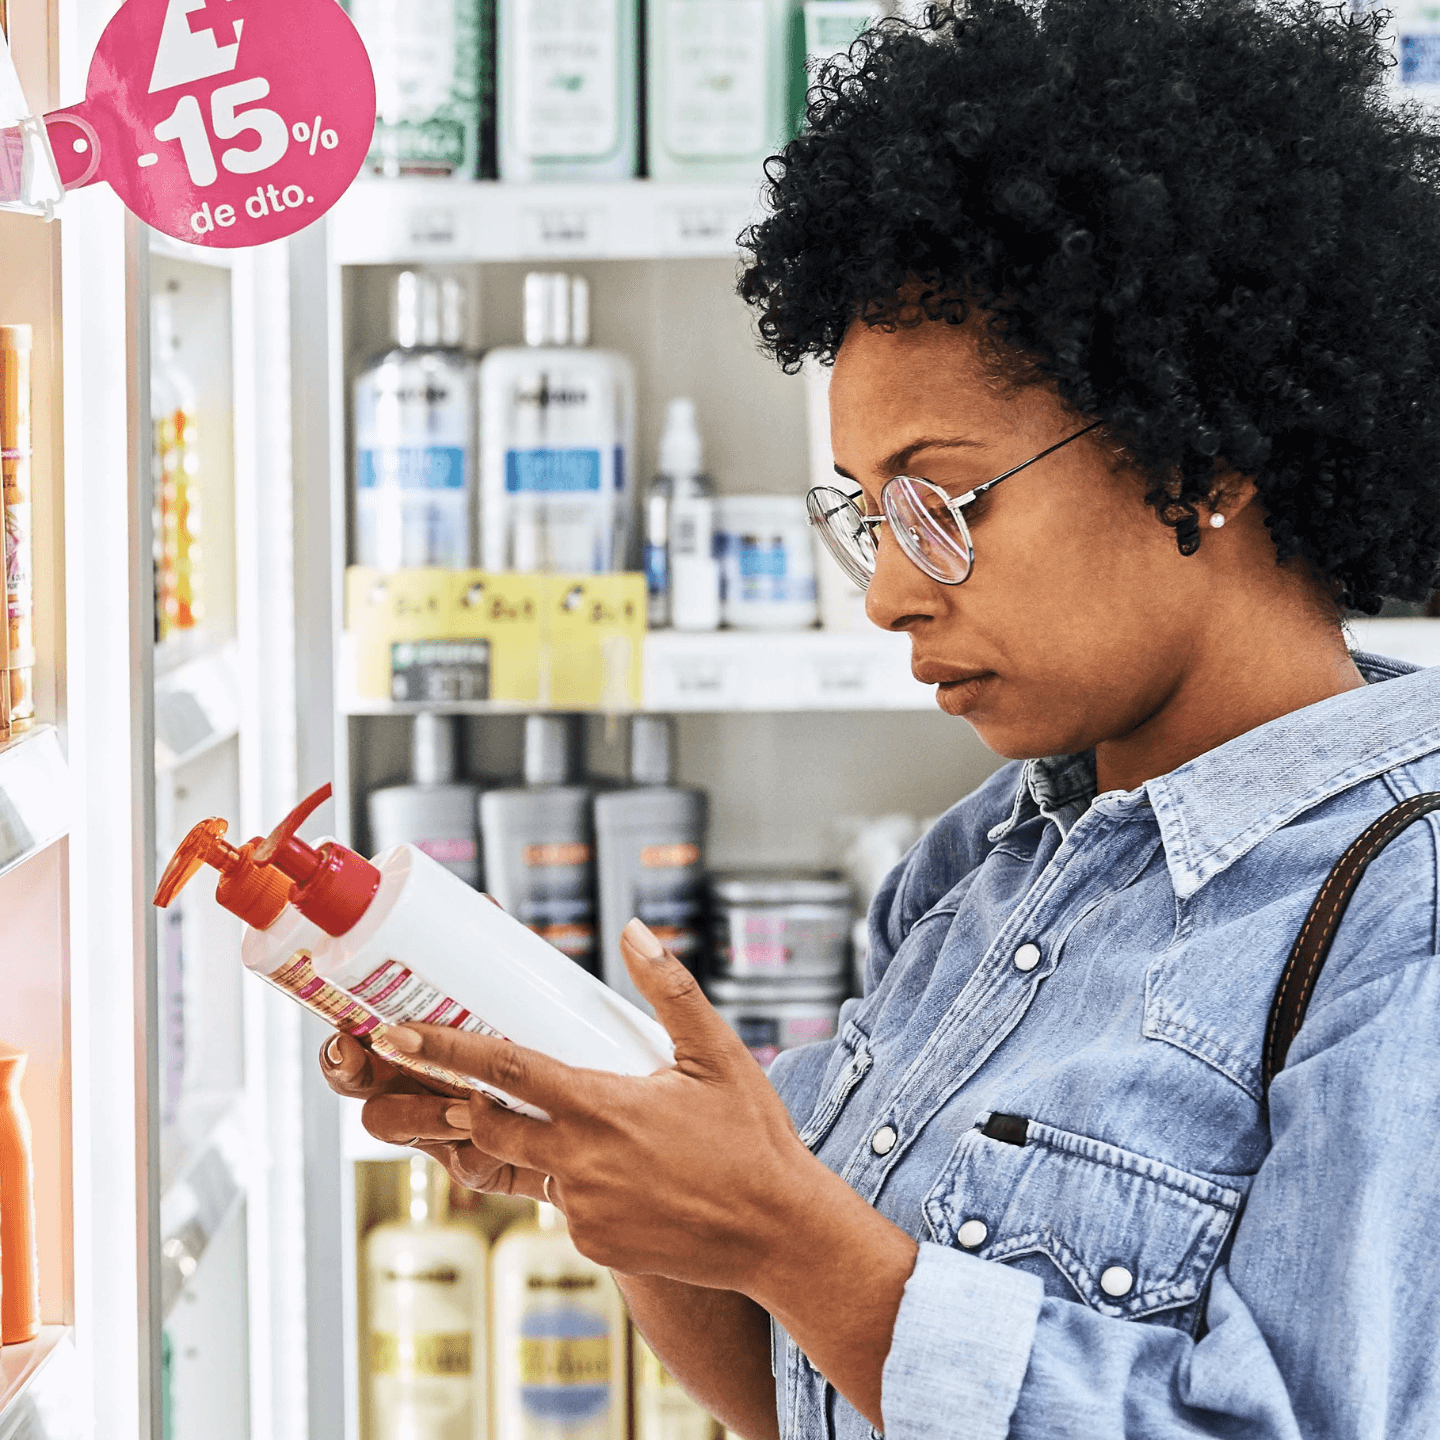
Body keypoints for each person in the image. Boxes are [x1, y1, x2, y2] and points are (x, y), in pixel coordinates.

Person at [322, 1, 1440, 1435]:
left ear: (1197, 455)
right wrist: (609, 1162)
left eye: (944, 501)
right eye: (867, 515)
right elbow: (808, 1401)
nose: (890, 594)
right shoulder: (985, 859)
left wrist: (793, 1235)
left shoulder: (1398, 915)